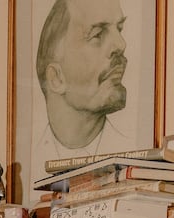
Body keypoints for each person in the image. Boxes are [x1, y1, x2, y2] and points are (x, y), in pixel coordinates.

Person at [34, 0, 137, 164]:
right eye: (98, 34)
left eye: (119, 29)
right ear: (56, 78)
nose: (121, 44)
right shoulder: (32, 160)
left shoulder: (132, 151)